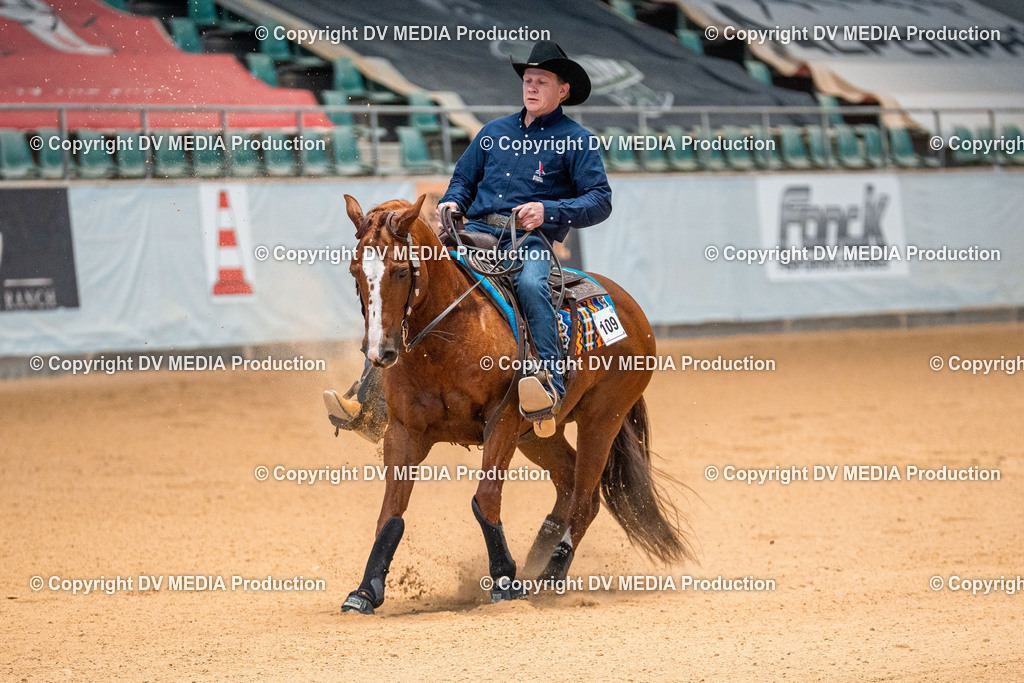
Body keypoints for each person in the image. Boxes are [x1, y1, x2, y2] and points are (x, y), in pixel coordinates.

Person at [325, 40, 611, 440]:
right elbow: (462, 180)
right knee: (412, 286)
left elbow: (600, 201)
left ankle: (549, 387)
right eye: (528, 80)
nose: (531, 88)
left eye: (541, 81)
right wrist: (453, 201)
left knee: (531, 286)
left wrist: (548, 211)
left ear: (563, 90)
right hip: (471, 233)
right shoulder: (494, 132)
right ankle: (370, 398)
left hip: (526, 241)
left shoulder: (576, 140)